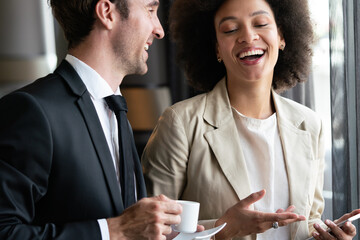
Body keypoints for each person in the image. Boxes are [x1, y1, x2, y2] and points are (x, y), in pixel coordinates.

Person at [141, 0, 359, 239]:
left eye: (261, 23)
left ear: (282, 36)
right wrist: (222, 229)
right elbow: (149, 230)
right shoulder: (180, 123)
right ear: (216, 48)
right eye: (230, 29)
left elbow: (307, 222)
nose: (248, 36)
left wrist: (327, 234)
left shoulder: (309, 124)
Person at [0, 0, 191, 239]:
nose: (159, 29)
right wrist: (114, 231)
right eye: (150, 10)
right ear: (107, 13)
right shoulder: (31, 110)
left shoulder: (116, 109)